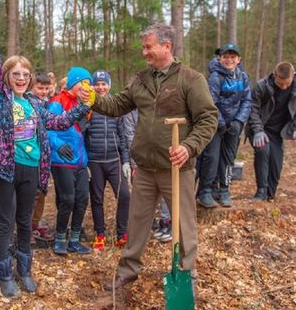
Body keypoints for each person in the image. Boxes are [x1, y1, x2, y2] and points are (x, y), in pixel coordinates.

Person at [91, 23, 218, 291]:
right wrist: (92, 98)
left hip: (177, 168)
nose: (144, 51)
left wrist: (189, 146)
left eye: (149, 46)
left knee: (183, 224)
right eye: (144, 47)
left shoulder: (190, 79)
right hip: (145, 168)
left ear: (167, 46)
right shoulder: (141, 80)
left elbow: (208, 118)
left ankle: (186, 274)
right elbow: (116, 106)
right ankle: (128, 270)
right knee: (137, 221)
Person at [0, 7, 92, 298]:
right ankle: (3, 273)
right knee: (5, 221)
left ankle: (24, 269)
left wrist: (84, 106)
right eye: (16, 74)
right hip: (6, 168)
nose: (21, 78)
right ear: (6, 76)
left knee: (25, 221)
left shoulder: (36, 103)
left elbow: (60, 121)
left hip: (31, 169)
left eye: (25, 74)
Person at [197, 43, 252, 208]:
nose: (229, 60)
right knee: (211, 157)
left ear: (238, 59)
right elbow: (211, 102)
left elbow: (247, 101)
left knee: (228, 159)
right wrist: (220, 122)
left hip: (234, 127)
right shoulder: (215, 77)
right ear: (220, 58)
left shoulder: (243, 77)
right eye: (225, 57)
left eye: (232, 57)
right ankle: (205, 190)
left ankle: (224, 190)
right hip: (215, 125)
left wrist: (238, 121)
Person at [47, 67, 94, 256]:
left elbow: (83, 130)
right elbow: (47, 127)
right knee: (67, 199)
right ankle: (59, 239)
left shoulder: (85, 103)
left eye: (89, 84)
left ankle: (74, 240)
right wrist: (57, 145)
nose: (87, 87)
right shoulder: (57, 101)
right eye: (84, 82)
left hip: (80, 160)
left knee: (82, 199)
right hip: (62, 159)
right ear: (74, 83)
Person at [247, 62, 296, 201]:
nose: (284, 87)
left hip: (278, 132)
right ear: (274, 76)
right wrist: (257, 130)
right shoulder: (262, 86)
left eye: (287, 84)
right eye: (280, 84)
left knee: (276, 162)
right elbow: (253, 109)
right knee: (263, 151)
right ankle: (261, 190)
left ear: (293, 76)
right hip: (260, 128)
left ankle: (270, 193)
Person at [85, 70, 131, 251]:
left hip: (115, 160)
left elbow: (123, 136)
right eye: (97, 84)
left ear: (109, 85)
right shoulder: (88, 106)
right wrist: (85, 163)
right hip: (94, 161)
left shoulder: (116, 106)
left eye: (104, 84)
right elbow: (82, 135)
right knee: (97, 199)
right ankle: (100, 234)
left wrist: (126, 161)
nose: (101, 87)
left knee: (125, 195)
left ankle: (122, 233)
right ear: (93, 86)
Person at [123, 109, 173, 243]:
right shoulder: (130, 114)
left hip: (160, 156)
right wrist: (134, 163)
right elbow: (130, 137)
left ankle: (167, 222)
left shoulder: (158, 105)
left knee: (165, 192)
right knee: (144, 195)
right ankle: (148, 225)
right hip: (141, 159)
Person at [28, 72, 55, 243]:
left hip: (46, 153)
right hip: (33, 151)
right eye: (40, 88)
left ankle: (35, 224)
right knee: (33, 193)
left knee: (43, 190)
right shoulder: (30, 102)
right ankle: (26, 227)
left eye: (46, 88)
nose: (43, 91)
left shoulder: (47, 103)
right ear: (32, 86)